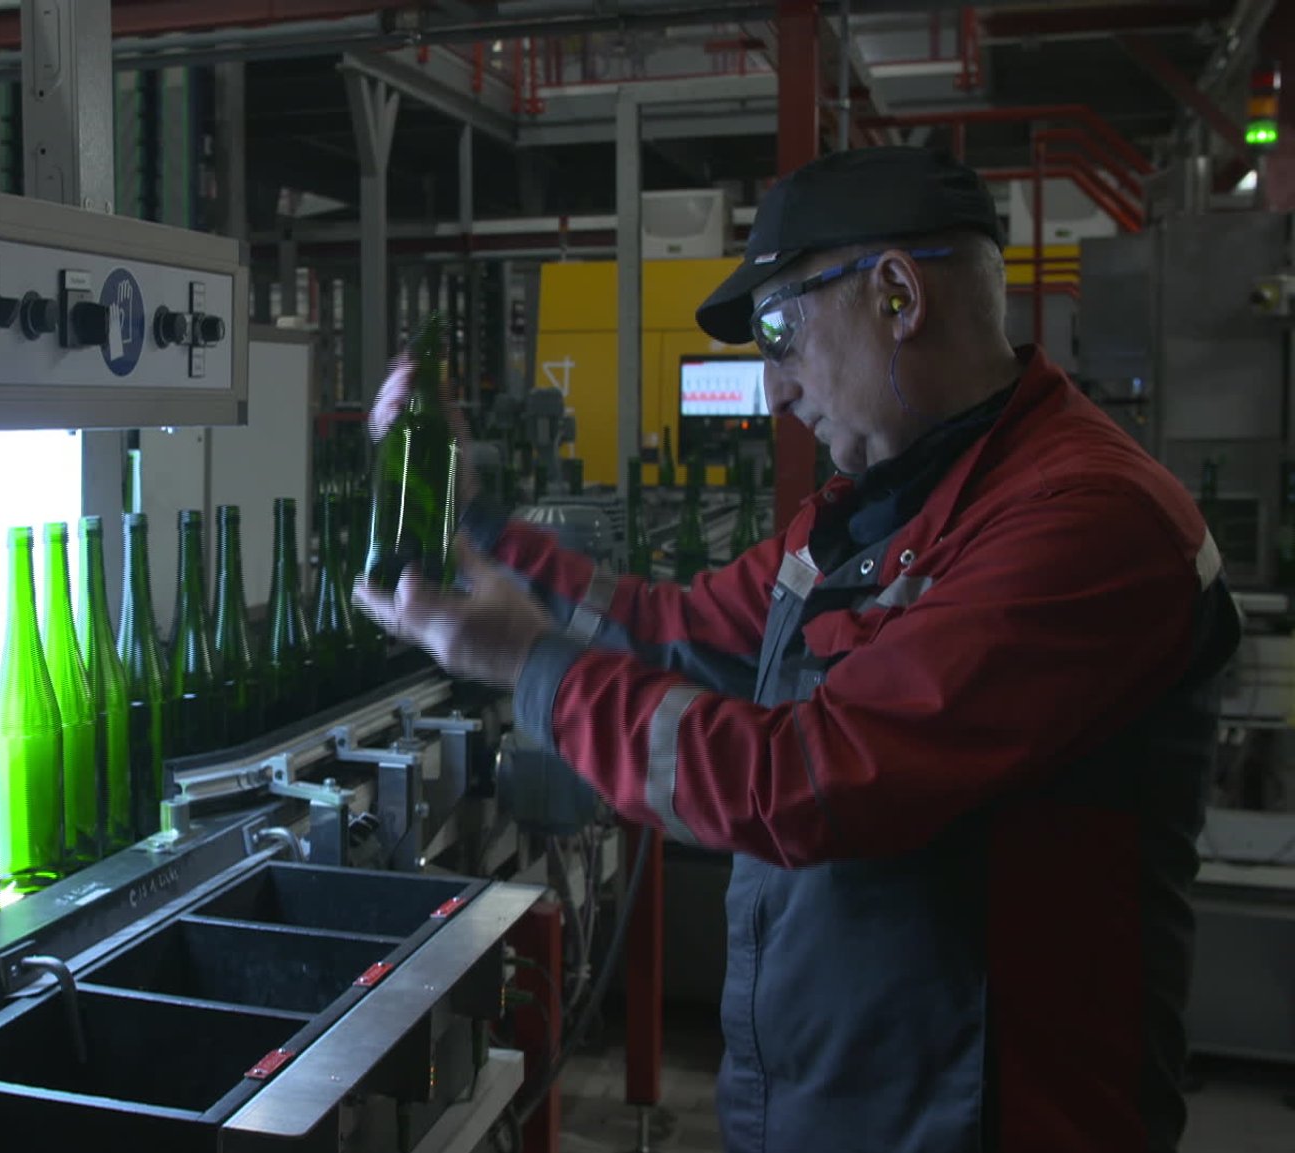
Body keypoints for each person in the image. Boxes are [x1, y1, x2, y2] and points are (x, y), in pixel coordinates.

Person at [354, 146, 1240, 1153]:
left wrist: (529, 665)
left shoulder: (1081, 522)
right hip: (827, 1105)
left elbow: (807, 782)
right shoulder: (869, 511)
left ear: (896, 295)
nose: (773, 389)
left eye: (779, 332)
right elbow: (677, 631)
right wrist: (483, 528)